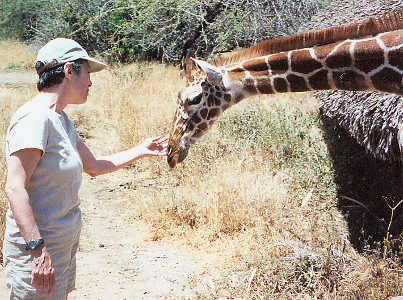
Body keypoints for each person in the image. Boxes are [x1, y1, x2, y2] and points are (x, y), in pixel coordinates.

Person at [2, 38, 168, 299]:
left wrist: (142, 150)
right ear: (69, 71)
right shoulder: (34, 119)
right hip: (36, 254)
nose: (90, 81)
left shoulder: (61, 118)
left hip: (60, 247)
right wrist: (37, 250)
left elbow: (94, 166)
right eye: (88, 72)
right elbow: (14, 187)